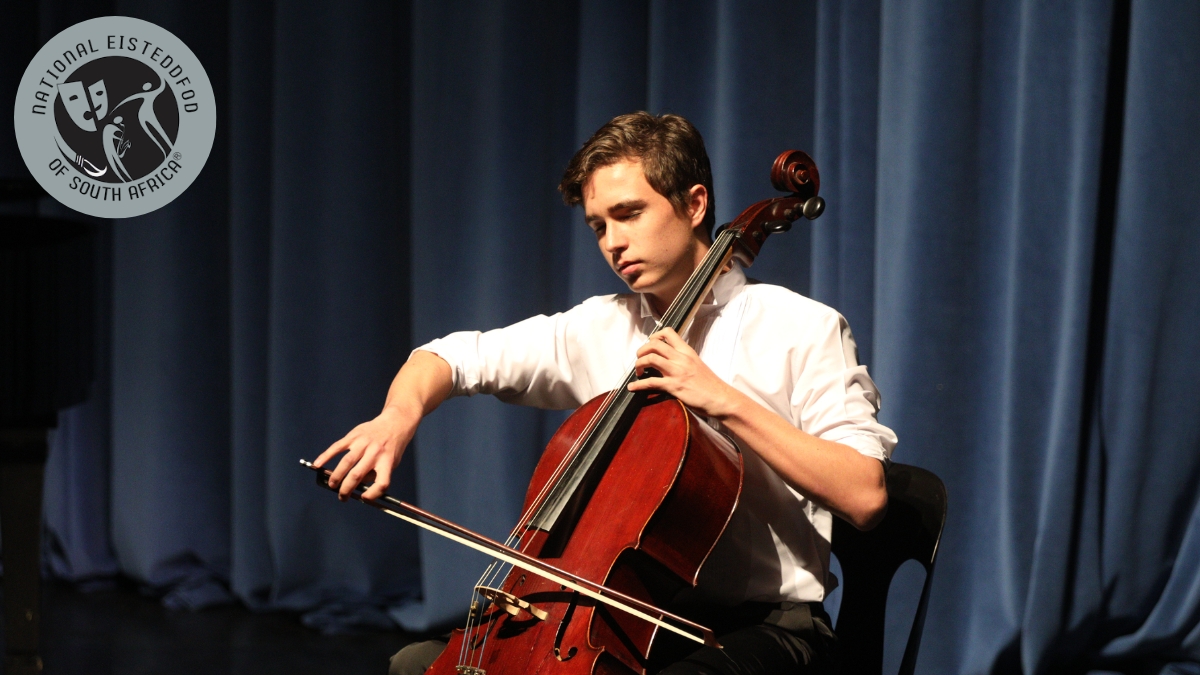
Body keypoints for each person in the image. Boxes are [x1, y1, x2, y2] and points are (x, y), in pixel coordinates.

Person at [314, 112, 897, 675]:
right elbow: (448, 357)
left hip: (764, 626)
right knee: (417, 665)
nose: (614, 243)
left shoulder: (802, 327)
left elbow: (865, 496)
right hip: (626, 617)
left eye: (630, 213)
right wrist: (396, 418)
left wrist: (721, 399)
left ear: (694, 205)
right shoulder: (602, 326)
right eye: (599, 225)